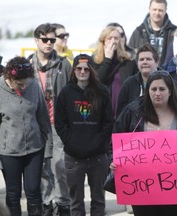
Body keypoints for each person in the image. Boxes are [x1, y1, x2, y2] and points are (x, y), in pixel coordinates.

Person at [112, 70, 177, 216]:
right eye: (153, 89)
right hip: (142, 188)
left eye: (162, 89)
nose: (157, 93)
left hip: (176, 188)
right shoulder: (133, 111)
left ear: (170, 91)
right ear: (147, 91)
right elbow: (116, 140)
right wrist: (113, 160)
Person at [54, 54, 113, 216]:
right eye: (78, 68)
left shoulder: (102, 92)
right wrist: (70, 142)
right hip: (74, 157)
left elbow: (108, 122)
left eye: (86, 69)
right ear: (73, 71)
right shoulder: (66, 93)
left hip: (98, 156)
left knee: (98, 200)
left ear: (92, 71)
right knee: (76, 202)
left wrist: (100, 143)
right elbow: (60, 123)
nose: (82, 72)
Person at [0, 56, 51, 216]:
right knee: (13, 193)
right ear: (9, 78)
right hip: (9, 151)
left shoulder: (33, 86)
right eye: (19, 84)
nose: (24, 86)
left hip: (34, 149)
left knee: (33, 190)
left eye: (26, 82)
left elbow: (43, 118)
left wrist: (48, 149)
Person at [29, 23, 71, 216]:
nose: (48, 43)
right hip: (37, 124)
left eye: (52, 40)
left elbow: (73, 92)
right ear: (36, 40)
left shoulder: (63, 64)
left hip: (59, 123)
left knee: (60, 166)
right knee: (43, 166)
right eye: (44, 39)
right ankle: (47, 203)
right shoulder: (28, 65)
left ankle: (63, 204)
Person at [92, 25, 137, 120]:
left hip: (122, 113)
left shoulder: (128, 63)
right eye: (109, 38)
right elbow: (97, 82)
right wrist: (107, 59)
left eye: (116, 38)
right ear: (103, 41)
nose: (113, 41)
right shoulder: (95, 61)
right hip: (102, 113)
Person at [128, 0, 177, 66]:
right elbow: (130, 56)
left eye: (160, 10)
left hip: (168, 74)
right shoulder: (138, 32)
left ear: (165, 11)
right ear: (149, 9)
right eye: (154, 9)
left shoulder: (174, 32)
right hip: (143, 74)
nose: (157, 13)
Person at [116, 42, 159, 116]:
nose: (145, 62)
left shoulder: (168, 82)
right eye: (141, 59)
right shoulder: (128, 84)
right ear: (137, 63)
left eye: (148, 59)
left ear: (157, 62)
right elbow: (121, 116)